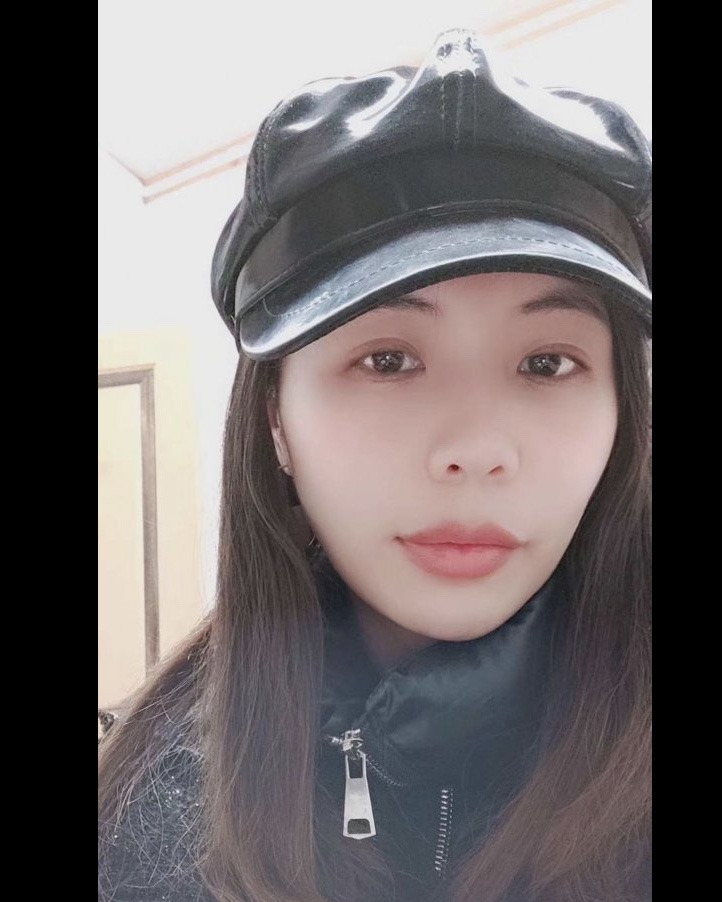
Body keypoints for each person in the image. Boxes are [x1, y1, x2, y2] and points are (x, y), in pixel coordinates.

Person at [98, 28, 652, 902]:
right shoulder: (143, 819)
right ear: (276, 421)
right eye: (388, 360)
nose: (476, 449)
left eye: (547, 363)